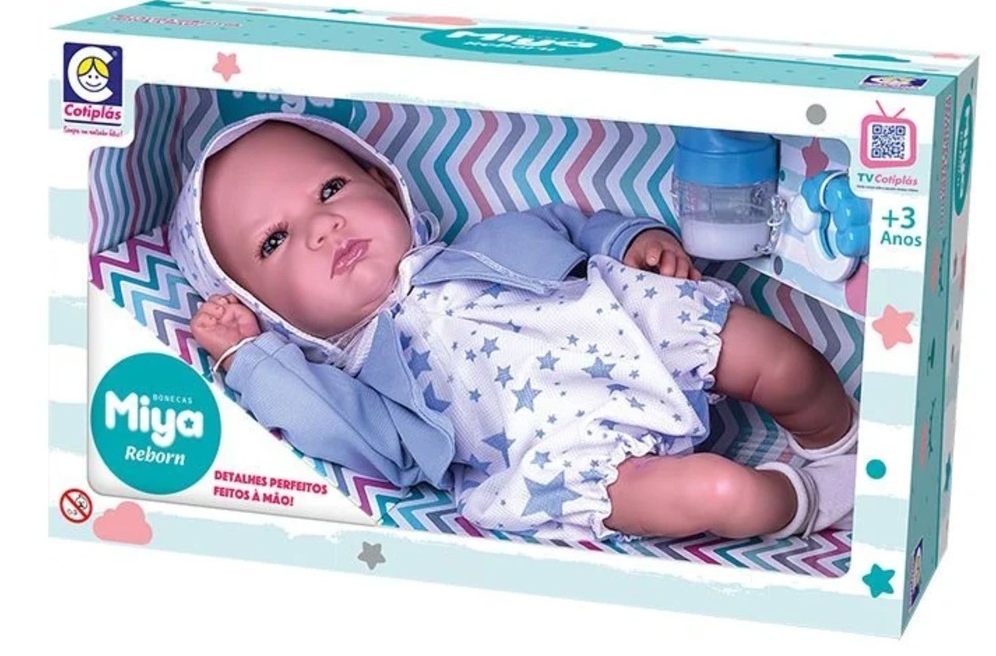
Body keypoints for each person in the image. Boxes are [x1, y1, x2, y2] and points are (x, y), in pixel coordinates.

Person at [169, 113, 858, 544]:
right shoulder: (375, 388)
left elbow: (573, 226)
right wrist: (249, 356)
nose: (323, 226)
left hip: (632, 329)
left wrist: (633, 240)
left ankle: (844, 441)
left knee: (786, 364)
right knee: (724, 494)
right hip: (563, 450)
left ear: (381, 180)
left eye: (330, 190)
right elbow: (328, 423)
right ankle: (817, 501)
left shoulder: (490, 239)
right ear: (263, 307)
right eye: (274, 241)